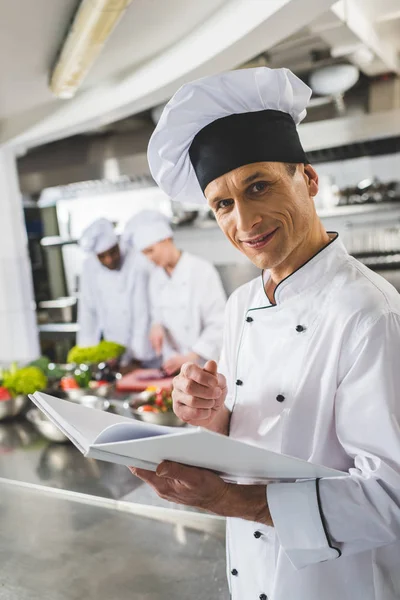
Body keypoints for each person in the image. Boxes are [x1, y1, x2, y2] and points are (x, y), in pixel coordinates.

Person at [130, 67, 400, 600]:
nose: (245, 220)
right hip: (253, 572)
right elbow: (255, 433)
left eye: (259, 186)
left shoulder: (370, 314)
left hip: (339, 584)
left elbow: (389, 500)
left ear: (309, 178)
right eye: (223, 204)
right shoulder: (241, 304)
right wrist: (211, 414)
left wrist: (228, 501)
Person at [125, 210, 226, 375]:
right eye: (145, 254)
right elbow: (158, 313)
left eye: (151, 251)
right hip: (174, 368)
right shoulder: (156, 277)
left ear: (166, 239)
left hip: (205, 366)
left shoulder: (201, 270)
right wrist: (156, 326)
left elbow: (219, 324)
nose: (149, 258)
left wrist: (192, 357)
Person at [77, 218, 154, 366]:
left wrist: (137, 358)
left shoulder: (136, 261)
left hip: (145, 351)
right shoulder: (89, 268)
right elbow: (87, 312)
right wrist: (87, 356)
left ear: (117, 244)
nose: (109, 260)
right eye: (102, 256)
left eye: (113, 252)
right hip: (113, 348)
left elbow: (142, 313)